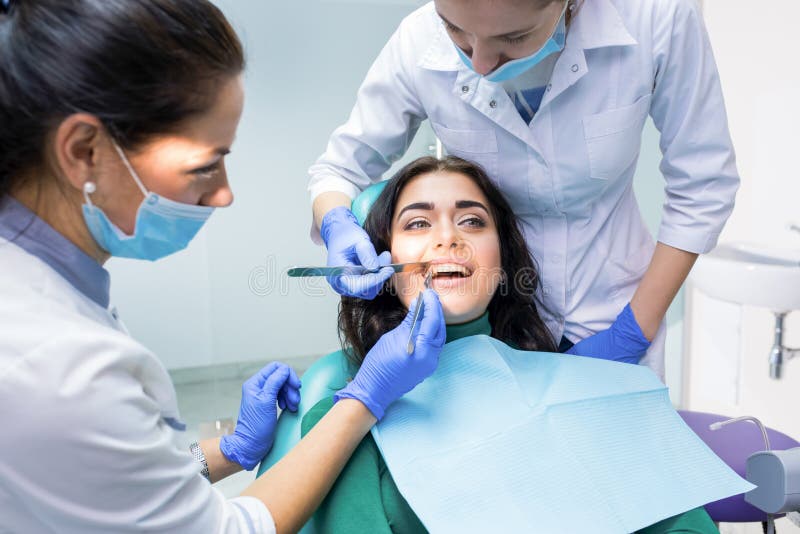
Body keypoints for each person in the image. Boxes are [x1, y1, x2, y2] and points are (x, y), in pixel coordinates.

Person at [0, 1, 444, 533]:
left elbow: (98, 483)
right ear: (83, 151)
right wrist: (364, 400)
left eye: (473, 221)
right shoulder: (58, 365)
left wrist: (230, 449)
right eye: (205, 165)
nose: (225, 194)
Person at [308, 0, 740, 378]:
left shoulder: (656, 18)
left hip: (614, 306)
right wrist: (336, 223)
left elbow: (703, 186)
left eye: (513, 37)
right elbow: (339, 169)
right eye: (455, 30)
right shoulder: (417, 42)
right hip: (495, 320)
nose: (478, 63)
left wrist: (634, 329)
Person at [302, 156, 717, 533]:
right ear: (381, 262)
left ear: (502, 263)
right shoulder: (342, 423)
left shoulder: (584, 388)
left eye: (472, 221)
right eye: (418, 223)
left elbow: (688, 525)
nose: (448, 238)